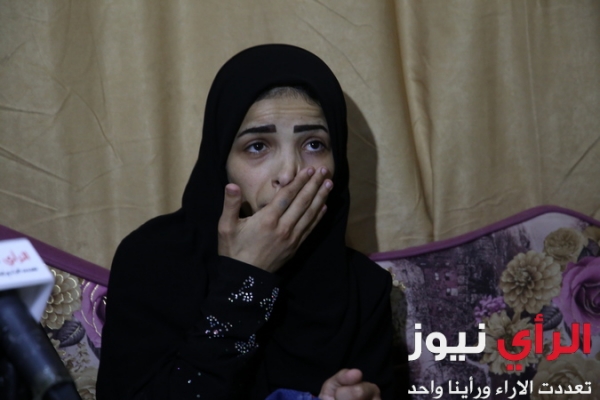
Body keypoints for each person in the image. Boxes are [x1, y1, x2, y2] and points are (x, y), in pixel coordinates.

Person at [96, 44, 394, 400]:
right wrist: (244, 280)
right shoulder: (151, 261)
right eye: (257, 146)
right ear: (221, 161)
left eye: (314, 144)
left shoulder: (363, 288)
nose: (288, 173)